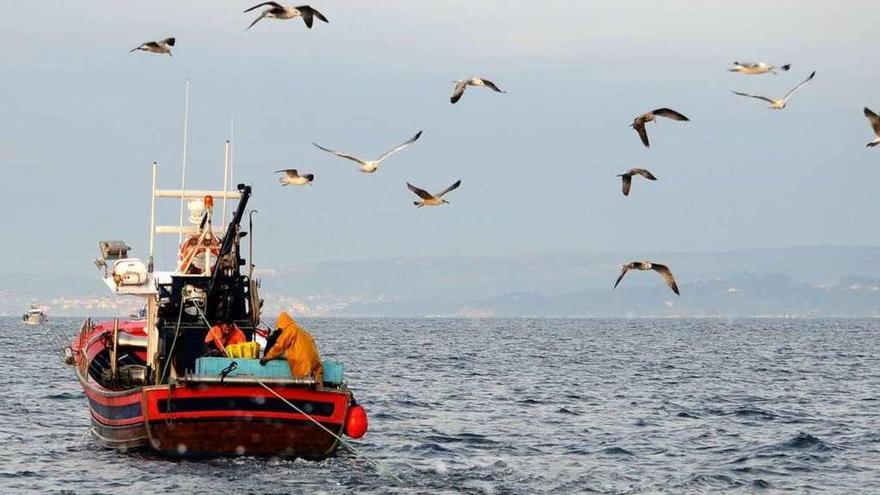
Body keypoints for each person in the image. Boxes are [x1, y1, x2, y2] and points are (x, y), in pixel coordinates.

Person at [260, 311, 323, 383]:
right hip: (315, 362)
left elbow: (279, 347)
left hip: (303, 365)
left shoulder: (289, 330)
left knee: (303, 383)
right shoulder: (301, 331)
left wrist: (267, 357)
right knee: (315, 383)